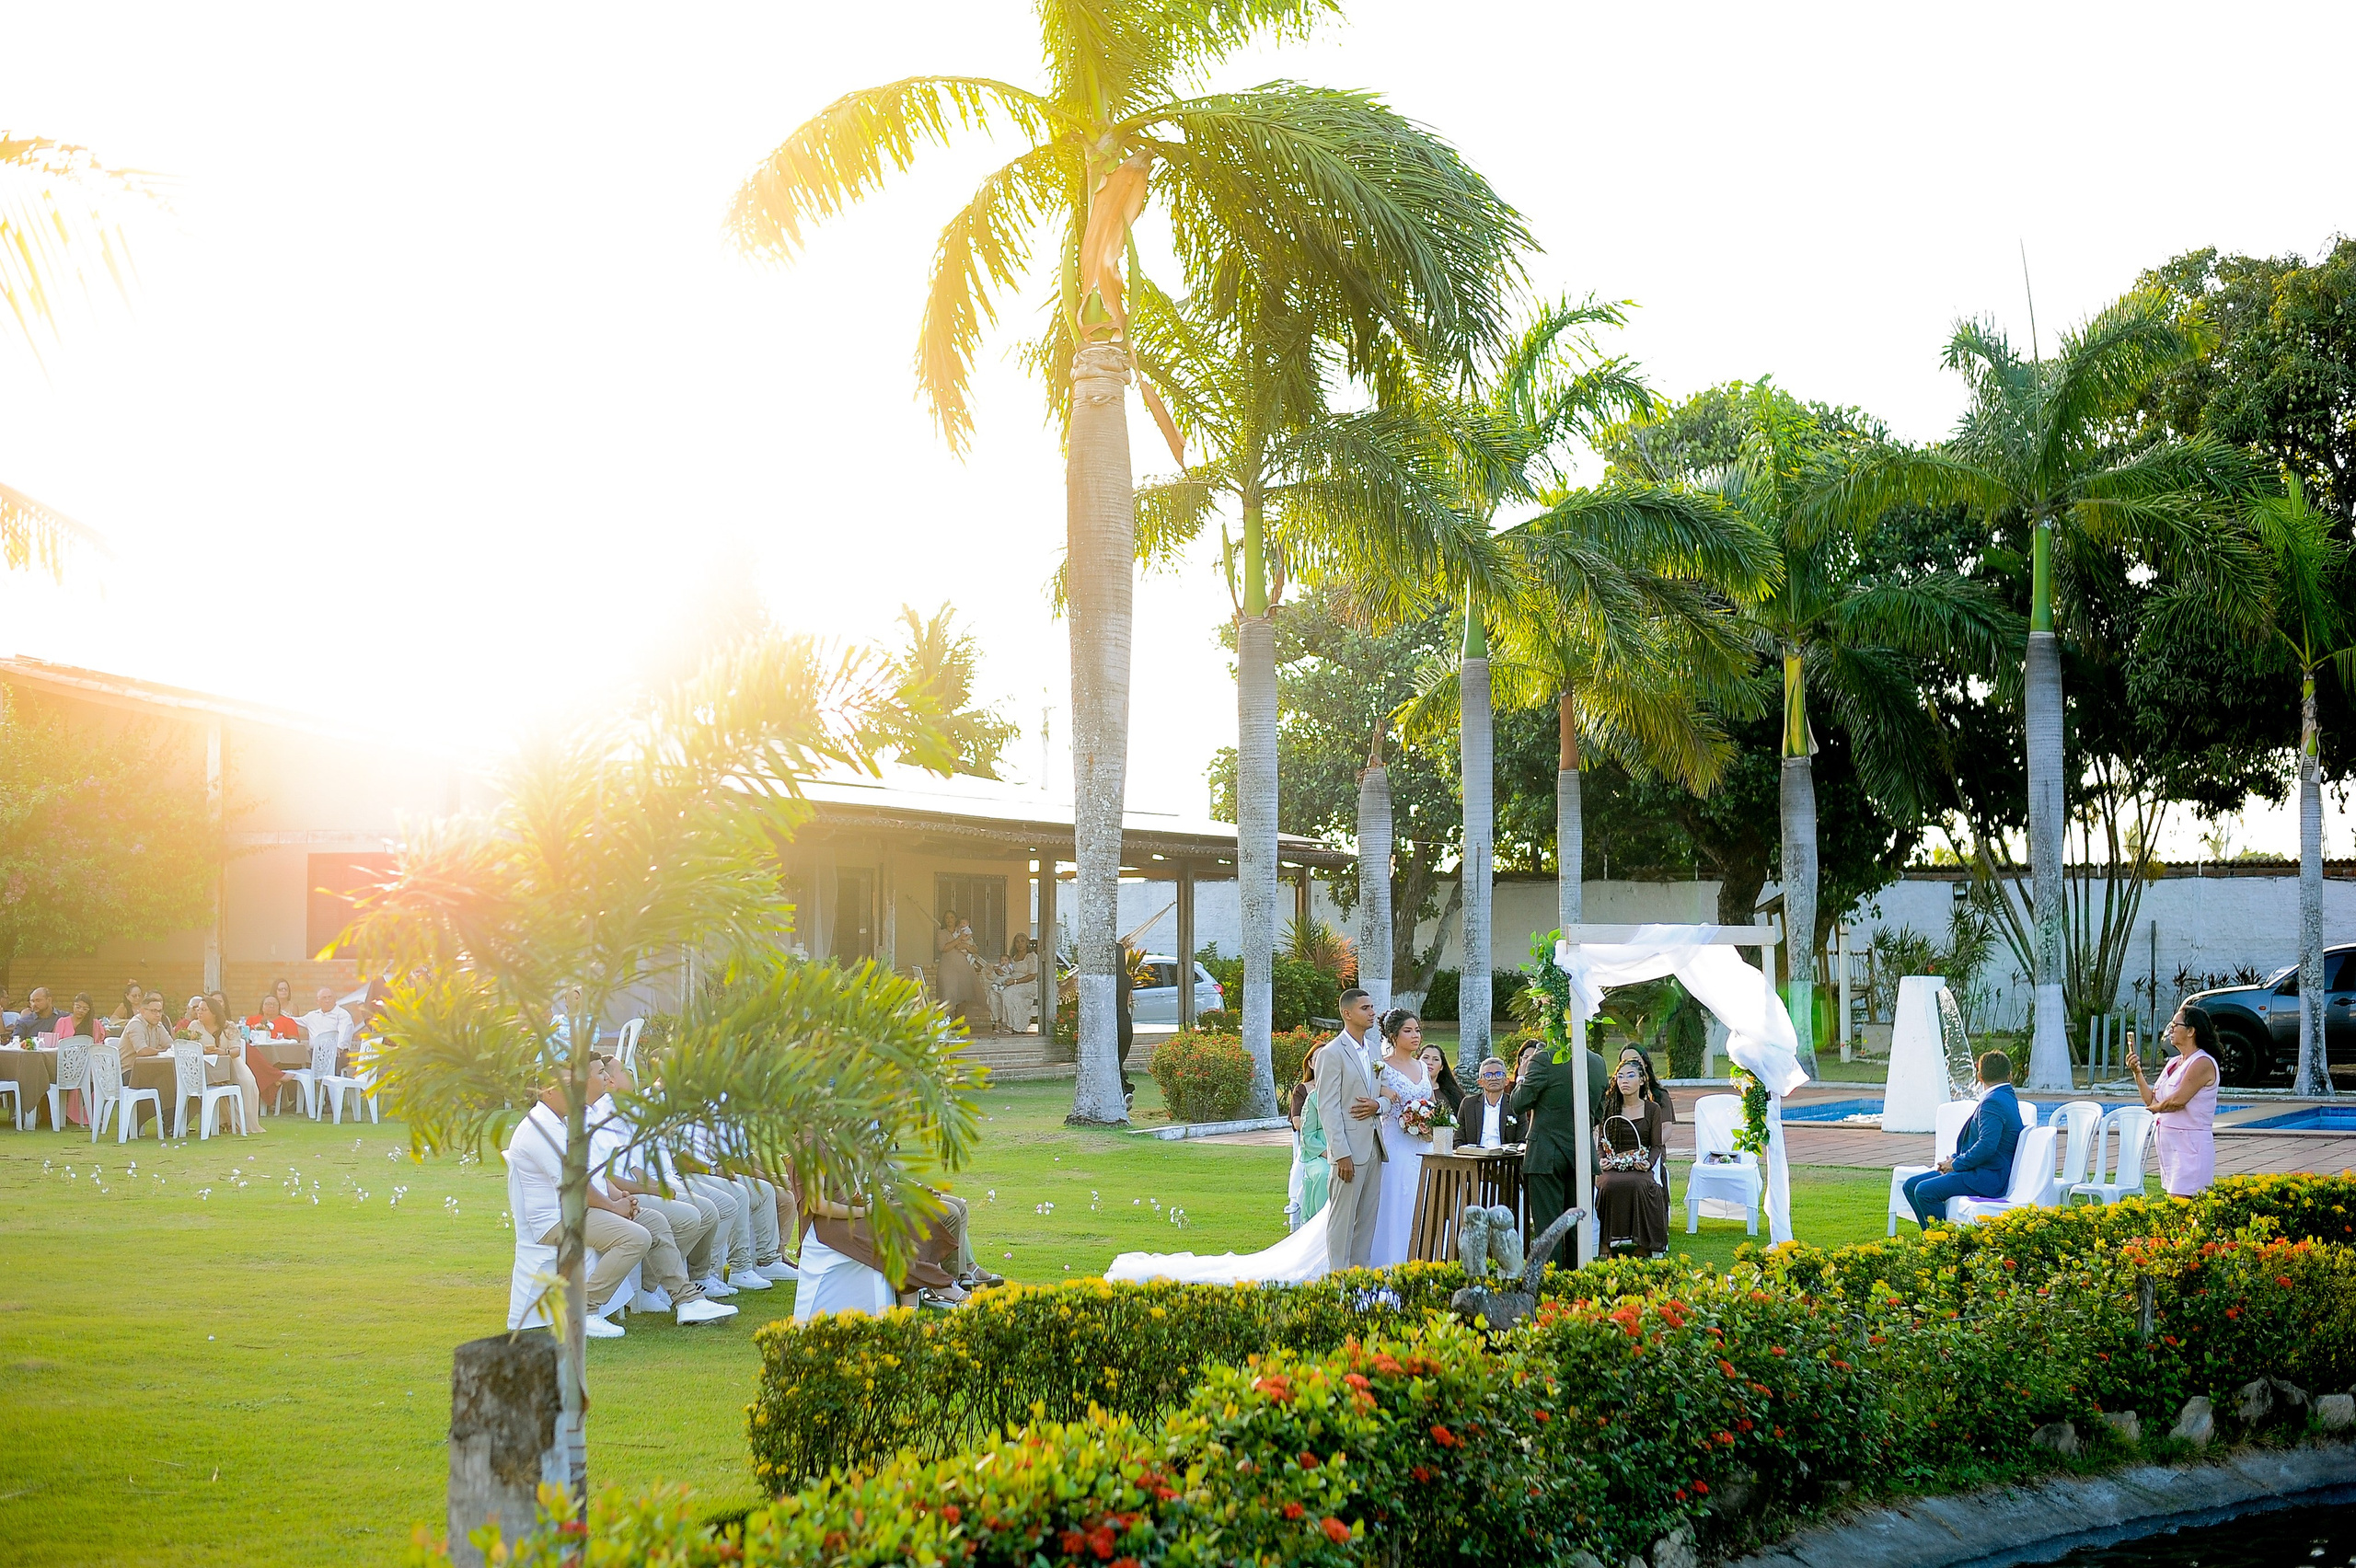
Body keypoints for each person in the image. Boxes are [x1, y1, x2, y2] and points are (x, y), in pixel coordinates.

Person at [1104, 990, 1376, 1286]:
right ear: (1347, 1013)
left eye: (1372, 1007)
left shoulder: (1373, 1051)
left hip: (1374, 1148)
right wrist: (1340, 1152)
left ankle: (1361, 1276)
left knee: (1366, 1220)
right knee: (1341, 1221)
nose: (1372, 1012)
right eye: (1365, 1007)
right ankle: (1340, 1278)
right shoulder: (1332, 1053)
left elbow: (1381, 1092)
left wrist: (1380, 1105)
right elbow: (1328, 1106)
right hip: (1347, 1152)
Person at [584, 1057, 736, 1324]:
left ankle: (685, 1298)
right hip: (592, 1208)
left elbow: (612, 1171)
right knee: (682, 1218)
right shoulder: (596, 1115)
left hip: (617, 1196)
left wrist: (626, 1195)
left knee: (681, 1216)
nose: (607, 1077)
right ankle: (600, 1304)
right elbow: (587, 1180)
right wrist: (619, 1201)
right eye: (602, 1073)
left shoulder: (593, 1115)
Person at [503, 1067, 648, 1338]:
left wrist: (619, 1196)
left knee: (653, 1221)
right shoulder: (540, 1128)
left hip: (578, 1211)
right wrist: (614, 1207)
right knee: (635, 1238)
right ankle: (584, 1311)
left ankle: (667, 1293)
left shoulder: (562, 1123)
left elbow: (590, 1174)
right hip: (556, 1220)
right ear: (547, 1092)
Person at [1511, 1031, 1611, 1269]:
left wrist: (1522, 1076)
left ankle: (1551, 1282)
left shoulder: (1543, 1059)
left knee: (1549, 1230)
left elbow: (1518, 1103)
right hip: (1582, 1155)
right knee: (1579, 1230)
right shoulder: (1597, 1062)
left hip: (1546, 1155)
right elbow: (1598, 1113)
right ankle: (1579, 1281)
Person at [1902, 1051, 2023, 1227]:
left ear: (1979, 1076)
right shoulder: (2005, 1096)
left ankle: (1943, 1240)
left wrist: (1956, 1164)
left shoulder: (1993, 1102)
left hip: (1988, 1176)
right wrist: (1954, 1160)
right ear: (2010, 1076)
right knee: (1910, 1185)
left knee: (1925, 1191)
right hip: (1981, 1169)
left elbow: (1987, 1146)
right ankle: (1931, 1237)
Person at [2129, 1005, 2222, 1199]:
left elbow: (2178, 1101)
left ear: (2191, 1031)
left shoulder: (2202, 1062)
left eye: (2175, 1025)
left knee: (2183, 1206)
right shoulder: (2174, 1062)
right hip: (2171, 1146)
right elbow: (2152, 1099)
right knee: (2177, 1206)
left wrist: (2153, 1109)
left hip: (2191, 1146)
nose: (2171, 1028)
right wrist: (2137, 1072)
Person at [1367, 1008, 1435, 1268]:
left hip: (1425, 1146)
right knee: (1398, 1200)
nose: (1415, 1035)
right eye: (1408, 1031)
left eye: (1417, 1030)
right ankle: (1391, 1260)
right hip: (1396, 1145)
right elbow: (1372, 1095)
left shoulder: (1422, 1066)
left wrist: (1429, 1120)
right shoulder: (1382, 1067)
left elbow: (1431, 1102)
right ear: (1393, 1036)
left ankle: (1423, 1258)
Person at [1594, 1056, 1671, 1256]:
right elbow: (1601, 1143)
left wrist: (1648, 1163)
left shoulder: (1652, 1109)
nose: (1624, 1081)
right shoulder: (1609, 1107)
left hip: (1639, 1165)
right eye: (1620, 1077)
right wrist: (1602, 1158)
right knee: (1607, 1185)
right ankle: (1605, 1241)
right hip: (1613, 1166)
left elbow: (1656, 1146)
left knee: (1640, 1185)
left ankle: (1644, 1242)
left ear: (1642, 1080)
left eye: (1630, 1076)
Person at [184, 995, 266, 1135]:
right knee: (214, 1084)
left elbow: (236, 1051)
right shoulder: (194, 1026)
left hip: (230, 1062)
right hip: (205, 1065)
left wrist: (223, 1052)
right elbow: (188, 1048)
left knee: (247, 1081)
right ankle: (224, 1121)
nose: (199, 1012)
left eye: (204, 1010)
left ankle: (245, 1122)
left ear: (214, 1013)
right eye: (198, 1009)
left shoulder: (229, 1026)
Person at [1287, 1046, 1332, 1229]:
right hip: (1317, 1148)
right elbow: (1302, 1127)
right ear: (1311, 1063)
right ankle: (1318, 1225)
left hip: (1341, 1145)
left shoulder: (1345, 1091)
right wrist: (1326, 1152)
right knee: (1323, 1174)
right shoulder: (1308, 1094)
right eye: (1318, 1059)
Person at [1459, 1055, 1528, 1149]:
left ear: (1506, 1081)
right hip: (1475, 1156)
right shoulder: (1468, 1104)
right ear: (1480, 1082)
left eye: (1499, 1074)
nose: (1494, 1078)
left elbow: (1522, 1141)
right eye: (1488, 1075)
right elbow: (1458, 1140)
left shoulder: (1515, 1104)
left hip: (1506, 1156)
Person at [934, 910, 986, 1028]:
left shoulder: (963, 931)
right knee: (948, 992)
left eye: (952, 917)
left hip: (963, 969)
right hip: (947, 968)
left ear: (956, 919)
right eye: (947, 918)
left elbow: (975, 949)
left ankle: (959, 1022)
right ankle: (945, 1022)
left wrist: (965, 945)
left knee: (963, 995)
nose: (949, 920)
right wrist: (958, 939)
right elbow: (943, 948)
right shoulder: (941, 933)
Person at [991, 933, 1040, 1033]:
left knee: (1008, 993)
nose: (1020, 944)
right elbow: (1006, 969)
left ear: (1027, 943)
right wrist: (999, 971)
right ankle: (997, 1022)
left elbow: (1033, 975)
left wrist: (1015, 981)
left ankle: (1010, 1024)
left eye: (1022, 941)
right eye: (1017, 941)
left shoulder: (1032, 956)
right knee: (993, 992)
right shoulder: (1013, 957)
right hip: (1012, 982)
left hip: (1028, 984)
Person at [298, 986, 359, 1066]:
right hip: (315, 1053)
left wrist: (339, 1047)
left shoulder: (343, 1014)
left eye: (330, 997)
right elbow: (294, 1021)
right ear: (317, 1001)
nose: (327, 1000)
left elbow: (344, 1032)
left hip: (336, 1053)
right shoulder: (312, 1015)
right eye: (324, 998)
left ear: (335, 999)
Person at [1417, 1043, 1465, 1115]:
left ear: (1441, 1067)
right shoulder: (1409, 1089)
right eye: (1426, 1058)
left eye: (1436, 1059)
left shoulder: (1453, 1094)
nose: (1430, 1062)